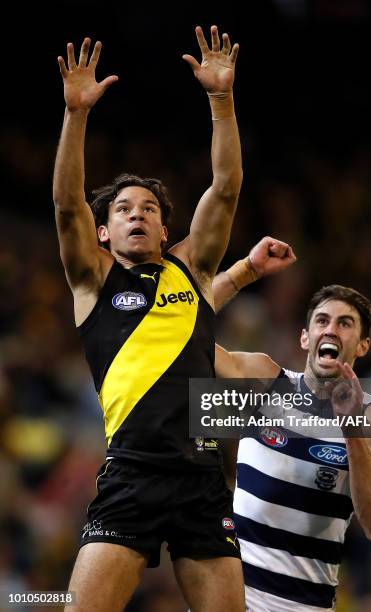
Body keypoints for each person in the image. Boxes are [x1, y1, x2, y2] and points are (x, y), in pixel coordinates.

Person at [53, 27, 244, 612]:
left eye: (151, 209)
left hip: (203, 480)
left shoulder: (193, 272)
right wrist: (76, 115)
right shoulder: (93, 279)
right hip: (132, 476)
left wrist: (220, 100)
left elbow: (227, 187)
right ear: (104, 231)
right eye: (123, 209)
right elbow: (66, 204)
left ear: (166, 230)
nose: (139, 214)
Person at [213, 237, 371, 611]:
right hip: (227, 598)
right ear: (305, 337)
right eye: (322, 321)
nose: (331, 329)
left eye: (345, 324)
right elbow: (179, 333)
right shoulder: (263, 378)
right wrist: (244, 272)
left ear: (362, 346)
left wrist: (351, 433)